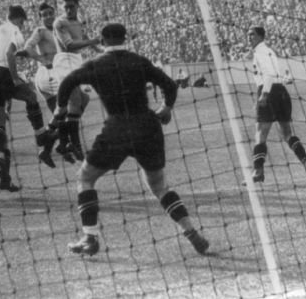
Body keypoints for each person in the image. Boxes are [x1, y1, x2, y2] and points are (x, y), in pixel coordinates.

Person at [54, 23, 209, 257]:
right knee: (159, 186)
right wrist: (166, 108)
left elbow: (67, 83)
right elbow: (168, 84)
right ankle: (191, 232)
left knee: (85, 178)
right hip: (148, 127)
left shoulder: (95, 64)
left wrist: (59, 110)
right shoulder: (139, 60)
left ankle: (90, 237)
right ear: (124, 38)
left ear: (102, 41)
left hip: (117, 128)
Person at [0, 5, 51, 190]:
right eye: (23, 20)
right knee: (31, 96)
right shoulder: (16, 31)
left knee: (0, 118)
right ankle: (41, 137)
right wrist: (14, 78)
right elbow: (9, 53)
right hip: (1, 73)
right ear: (20, 19)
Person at [247, 26, 306, 183]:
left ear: (260, 36)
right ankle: (304, 160)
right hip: (281, 91)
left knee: (260, 133)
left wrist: (264, 94)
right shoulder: (269, 51)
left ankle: (258, 172)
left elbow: (269, 73)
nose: (249, 38)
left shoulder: (260, 52)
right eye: (248, 35)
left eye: (252, 35)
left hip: (269, 91)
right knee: (287, 133)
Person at [49, 0, 100, 162]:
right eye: (66, 7)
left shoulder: (79, 21)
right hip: (64, 60)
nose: (69, 9)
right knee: (76, 99)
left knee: (84, 99)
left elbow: (83, 38)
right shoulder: (60, 22)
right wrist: (93, 41)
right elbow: (69, 45)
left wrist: (101, 50)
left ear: (77, 6)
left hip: (76, 60)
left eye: (72, 6)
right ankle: (74, 143)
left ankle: (56, 133)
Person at [16, 1, 63, 167]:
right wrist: (42, 59)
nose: (49, 16)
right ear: (40, 18)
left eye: (51, 13)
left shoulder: (59, 29)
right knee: (72, 105)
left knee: (60, 116)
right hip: (49, 75)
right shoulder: (41, 31)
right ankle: (49, 143)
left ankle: (50, 148)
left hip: (54, 76)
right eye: (45, 15)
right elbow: (28, 48)